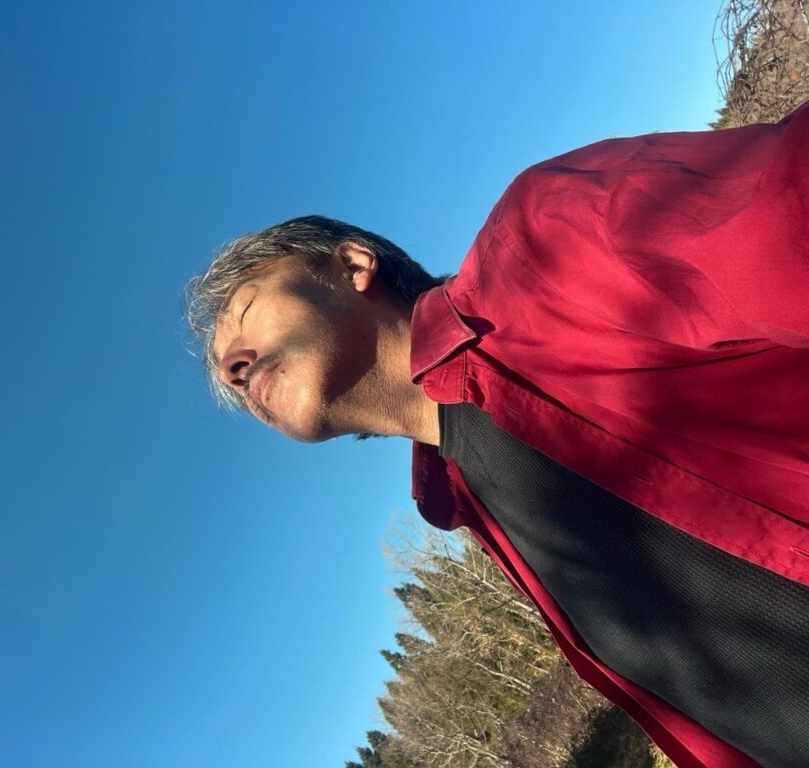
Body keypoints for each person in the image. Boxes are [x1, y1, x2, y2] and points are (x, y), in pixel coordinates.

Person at [184, 102, 809, 768]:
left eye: (246, 310)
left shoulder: (544, 243)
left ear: (353, 266)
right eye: (228, 377)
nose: (231, 371)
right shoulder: (464, 507)